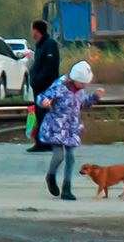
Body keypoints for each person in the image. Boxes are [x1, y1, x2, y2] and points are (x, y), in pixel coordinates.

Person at [36, 60, 104, 201]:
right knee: (59, 156)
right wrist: (44, 102)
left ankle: (67, 188)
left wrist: (94, 97)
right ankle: (51, 175)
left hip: (71, 128)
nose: (83, 86)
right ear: (74, 79)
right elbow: (43, 97)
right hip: (56, 127)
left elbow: (82, 104)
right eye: (81, 83)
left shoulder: (79, 90)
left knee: (71, 157)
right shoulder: (59, 86)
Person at [26, 19, 60, 153]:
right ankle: (42, 141)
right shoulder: (40, 44)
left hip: (46, 86)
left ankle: (44, 142)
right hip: (39, 86)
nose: (32, 33)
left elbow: (49, 65)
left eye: (33, 30)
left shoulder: (49, 44)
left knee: (45, 113)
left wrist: (38, 79)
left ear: (36, 30)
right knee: (40, 114)